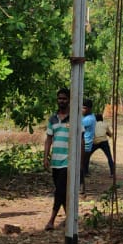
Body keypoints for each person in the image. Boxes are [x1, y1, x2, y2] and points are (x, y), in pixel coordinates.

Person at [44, 87, 71, 230]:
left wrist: (80, 161)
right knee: (62, 191)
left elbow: (81, 140)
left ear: (69, 100)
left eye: (64, 98)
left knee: (59, 191)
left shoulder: (74, 118)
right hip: (55, 161)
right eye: (60, 98)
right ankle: (70, 219)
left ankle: (51, 220)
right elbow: (48, 139)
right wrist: (45, 157)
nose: (62, 101)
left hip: (68, 161)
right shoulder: (52, 119)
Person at [90, 111, 115, 177]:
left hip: (95, 141)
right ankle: (112, 173)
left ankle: (85, 172)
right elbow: (110, 134)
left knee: (87, 155)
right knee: (109, 157)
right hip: (104, 141)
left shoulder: (93, 125)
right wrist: (108, 134)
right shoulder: (105, 124)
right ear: (102, 119)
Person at [82, 98, 97, 176]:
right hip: (87, 143)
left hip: (85, 144)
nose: (82, 110)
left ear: (90, 109)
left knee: (83, 162)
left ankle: (84, 175)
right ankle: (86, 173)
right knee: (85, 162)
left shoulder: (88, 119)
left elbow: (73, 126)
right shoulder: (91, 117)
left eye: (84, 108)